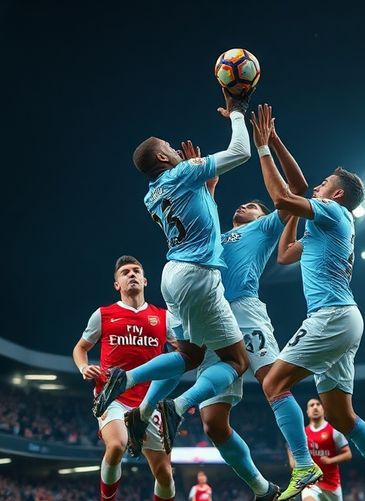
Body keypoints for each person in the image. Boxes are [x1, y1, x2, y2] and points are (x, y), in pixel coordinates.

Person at [127, 106, 309, 501]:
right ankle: (262, 488)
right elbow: (197, 220)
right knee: (213, 424)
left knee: (271, 380)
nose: (245, 204)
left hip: (241, 309)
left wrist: (267, 144)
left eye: (252, 203)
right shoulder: (215, 230)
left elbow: (295, 194)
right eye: (242, 202)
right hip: (207, 311)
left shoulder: (265, 227)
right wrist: (207, 182)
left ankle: (303, 462)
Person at [250, 104, 365, 501]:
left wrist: (263, 151)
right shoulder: (326, 225)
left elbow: (282, 194)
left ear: (337, 193)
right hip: (344, 319)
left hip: (331, 317)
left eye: (324, 184)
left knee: (274, 384)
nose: (318, 187)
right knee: (344, 419)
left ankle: (303, 465)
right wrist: (274, 146)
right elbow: (287, 253)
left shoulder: (334, 212)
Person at [93, 89, 256, 458]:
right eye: (171, 147)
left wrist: (207, 183)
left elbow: (203, 216)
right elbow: (240, 153)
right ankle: (177, 405)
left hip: (172, 274)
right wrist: (236, 113)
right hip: (198, 274)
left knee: (190, 355)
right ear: (164, 156)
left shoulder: (152, 193)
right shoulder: (183, 172)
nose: (178, 149)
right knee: (236, 361)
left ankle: (132, 385)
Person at [72, 255, 177, 501]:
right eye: (125, 272)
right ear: (117, 284)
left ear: (145, 281)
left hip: (150, 400)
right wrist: (82, 367)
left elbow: (183, 355)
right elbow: (80, 347)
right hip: (113, 396)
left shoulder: (164, 318)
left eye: (137, 271)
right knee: (116, 444)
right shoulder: (103, 315)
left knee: (165, 475)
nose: (132, 275)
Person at [296, 398, 355, 501]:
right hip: (311, 480)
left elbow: (348, 453)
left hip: (331, 482)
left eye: (318, 404)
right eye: (311, 405)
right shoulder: (302, 433)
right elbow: (291, 450)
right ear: (307, 412)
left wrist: (330, 460)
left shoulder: (333, 431)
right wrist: (294, 463)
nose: (315, 407)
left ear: (323, 409)